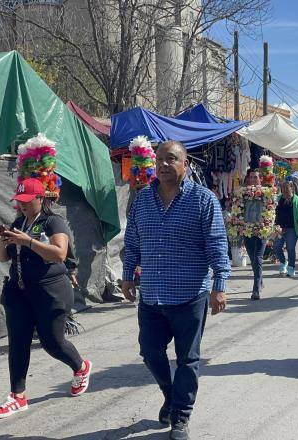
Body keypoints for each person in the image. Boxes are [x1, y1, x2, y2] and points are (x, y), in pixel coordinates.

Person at [122, 140, 230, 440]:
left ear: (186, 164)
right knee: (149, 351)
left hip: (189, 295)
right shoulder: (143, 200)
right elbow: (132, 243)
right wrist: (127, 275)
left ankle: (181, 416)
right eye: (160, 159)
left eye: (172, 159)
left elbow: (217, 245)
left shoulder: (203, 200)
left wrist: (220, 285)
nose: (164, 165)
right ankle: (170, 395)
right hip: (152, 294)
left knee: (188, 359)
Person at [0, 174, 92, 418]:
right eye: (19, 200)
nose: (23, 204)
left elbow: (59, 254)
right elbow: (3, 258)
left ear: (40, 198)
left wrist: (28, 242)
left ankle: (80, 366)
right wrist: (4, 242)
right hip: (19, 291)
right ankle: (17, 396)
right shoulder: (18, 222)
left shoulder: (53, 222)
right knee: (17, 342)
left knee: (52, 342)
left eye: (27, 200)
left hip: (50, 291)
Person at [234, 168, 273, 300]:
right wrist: (237, 223)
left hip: (262, 230)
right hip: (247, 229)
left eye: (255, 177)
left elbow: (271, 210)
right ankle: (260, 280)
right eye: (251, 177)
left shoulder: (267, 193)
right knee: (252, 258)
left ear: (260, 179)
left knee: (258, 258)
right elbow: (237, 209)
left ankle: (256, 289)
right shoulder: (242, 193)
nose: (253, 179)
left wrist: (267, 225)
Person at [273, 180, 298, 277]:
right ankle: (283, 263)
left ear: (292, 188)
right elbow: (273, 211)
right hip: (279, 228)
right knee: (277, 247)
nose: (285, 190)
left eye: (287, 188)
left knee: (290, 248)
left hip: (291, 228)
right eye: (283, 188)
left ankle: (291, 268)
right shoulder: (278, 199)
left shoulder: (296, 200)